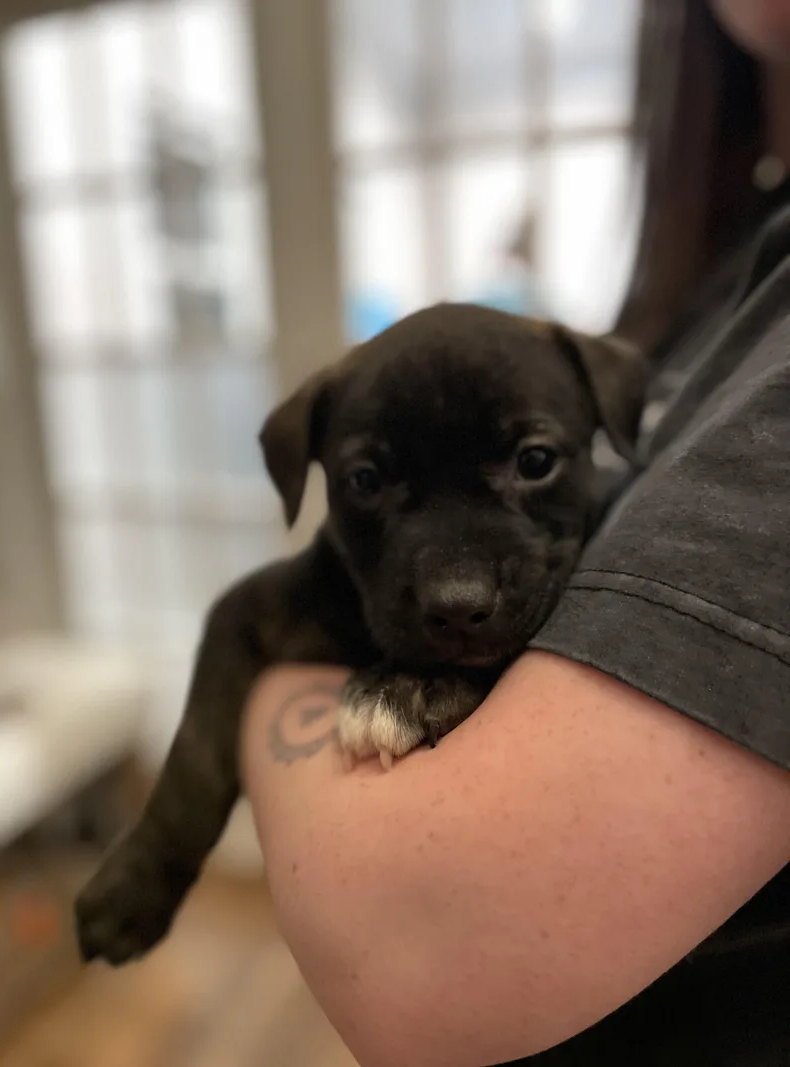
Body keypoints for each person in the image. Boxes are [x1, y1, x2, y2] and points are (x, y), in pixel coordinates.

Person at [242, 1, 790, 1063]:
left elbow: (414, 950)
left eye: (531, 464)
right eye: (372, 484)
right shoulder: (724, 259)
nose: (452, 591)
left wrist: (272, 667)